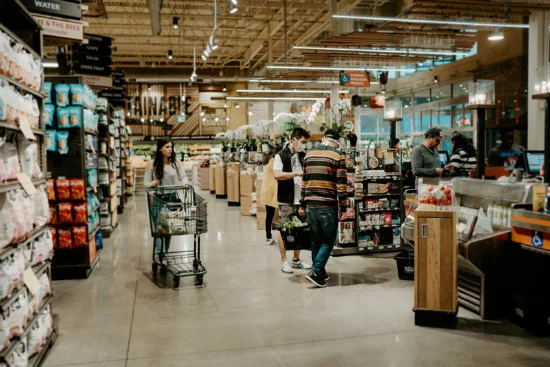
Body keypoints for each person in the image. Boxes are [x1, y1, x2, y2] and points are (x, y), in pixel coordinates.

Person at [300, 129, 347, 288]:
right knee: (328, 241)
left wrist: (302, 203)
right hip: (327, 205)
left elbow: (304, 182)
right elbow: (341, 185)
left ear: (323, 139)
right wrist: (345, 207)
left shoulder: (308, 154)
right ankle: (316, 270)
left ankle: (320, 273)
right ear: (337, 142)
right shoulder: (338, 156)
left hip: (310, 205)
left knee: (316, 241)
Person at [273, 127, 312, 273]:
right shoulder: (280, 155)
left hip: (301, 199)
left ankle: (296, 260)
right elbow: (277, 175)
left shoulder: (303, 156)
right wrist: (295, 173)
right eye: (302, 141)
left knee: (300, 229)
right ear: (294, 140)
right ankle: (284, 261)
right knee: (284, 229)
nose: (304, 144)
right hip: (286, 199)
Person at [144, 139, 188, 258]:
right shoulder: (151, 164)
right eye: (167, 147)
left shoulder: (176, 162)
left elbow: (184, 177)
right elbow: (145, 183)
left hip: (172, 198)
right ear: (160, 149)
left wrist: (184, 183)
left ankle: (165, 252)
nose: (170, 149)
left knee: (169, 227)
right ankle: (161, 254)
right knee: (159, 228)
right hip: (157, 199)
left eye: (171, 147)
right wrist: (152, 183)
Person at [260, 144, 282, 246]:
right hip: (272, 191)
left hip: (267, 190)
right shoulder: (274, 162)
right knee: (271, 215)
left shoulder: (268, 159)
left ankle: (268, 237)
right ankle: (270, 237)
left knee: (269, 215)